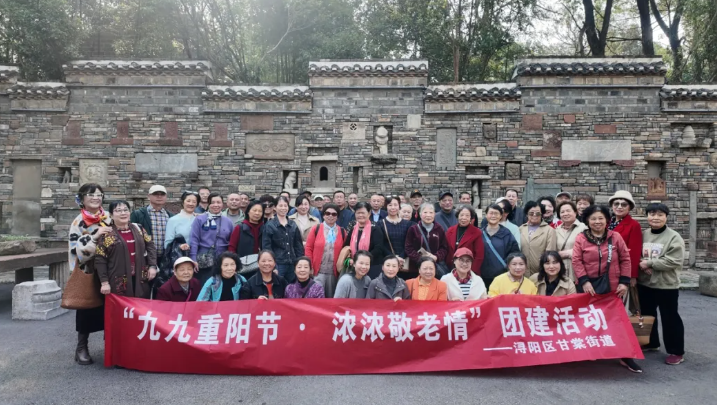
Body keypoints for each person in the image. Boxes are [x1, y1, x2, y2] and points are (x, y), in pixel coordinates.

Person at [572, 205, 639, 373]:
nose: (597, 222)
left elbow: (625, 259)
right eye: (593, 218)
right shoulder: (581, 238)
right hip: (588, 287)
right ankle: (591, 350)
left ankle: (625, 355)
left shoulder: (615, 237)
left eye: (601, 218)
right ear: (587, 220)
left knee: (616, 321)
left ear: (607, 220)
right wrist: (584, 281)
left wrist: (624, 282)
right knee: (589, 319)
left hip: (613, 287)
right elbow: (577, 261)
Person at [68, 183, 112, 365]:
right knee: (86, 308)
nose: (95, 198)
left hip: (110, 270)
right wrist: (94, 237)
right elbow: (76, 251)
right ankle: (81, 347)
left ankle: (111, 347)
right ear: (82, 199)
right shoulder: (78, 222)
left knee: (110, 310)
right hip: (89, 272)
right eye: (91, 194)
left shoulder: (109, 217)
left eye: (99, 195)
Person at [638, 203, 686, 365]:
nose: (656, 218)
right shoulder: (644, 234)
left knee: (670, 318)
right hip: (645, 283)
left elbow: (674, 260)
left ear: (666, 217)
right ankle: (651, 343)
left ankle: (676, 351)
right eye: (652, 214)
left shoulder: (674, 237)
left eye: (660, 214)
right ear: (647, 216)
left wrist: (650, 263)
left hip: (666, 285)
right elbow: (635, 253)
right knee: (646, 315)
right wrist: (642, 263)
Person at [95, 200, 157, 298]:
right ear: (111, 215)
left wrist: (152, 266)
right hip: (118, 281)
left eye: (125, 210)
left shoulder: (139, 228)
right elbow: (100, 259)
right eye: (118, 210)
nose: (123, 213)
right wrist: (104, 282)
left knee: (141, 304)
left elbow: (150, 246)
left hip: (141, 278)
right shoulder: (107, 233)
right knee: (121, 306)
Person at [189, 192, 234, 285]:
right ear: (208, 204)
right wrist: (193, 258)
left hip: (222, 259)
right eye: (213, 202)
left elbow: (231, 242)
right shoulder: (200, 219)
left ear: (223, 204)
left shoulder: (228, 221)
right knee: (204, 285)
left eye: (218, 202)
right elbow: (194, 240)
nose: (216, 205)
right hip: (204, 259)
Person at [305, 204, 347, 298]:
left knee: (331, 298)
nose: (330, 216)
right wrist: (310, 266)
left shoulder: (342, 231)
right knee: (315, 297)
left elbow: (345, 250)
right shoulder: (316, 228)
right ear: (323, 215)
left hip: (333, 273)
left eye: (334, 214)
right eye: (327, 213)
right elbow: (308, 248)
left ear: (337, 216)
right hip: (317, 272)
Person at [262, 196, 304, 283]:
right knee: (277, 287)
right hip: (278, 263)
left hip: (292, 263)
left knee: (292, 287)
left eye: (285, 206)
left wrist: (300, 262)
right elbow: (267, 247)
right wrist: (272, 266)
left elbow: (298, 246)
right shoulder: (270, 225)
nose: (283, 208)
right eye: (280, 206)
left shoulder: (293, 224)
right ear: (275, 207)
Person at [480, 204, 521, 289]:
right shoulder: (479, 233)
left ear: (501, 216)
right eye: (491, 213)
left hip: (501, 276)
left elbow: (514, 253)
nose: (493, 216)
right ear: (486, 215)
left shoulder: (507, 234)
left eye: (496, 213)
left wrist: (506, 266)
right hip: (481, 276)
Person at [405, 203, 449, 280]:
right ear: (420, 214)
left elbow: (444, 247)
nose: (428, 215)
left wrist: (436, 257)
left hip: (434, 267)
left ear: (434, 214)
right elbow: (408, 248)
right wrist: (420, 259)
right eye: (425, 212)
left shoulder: (439, 229)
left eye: (431, 212)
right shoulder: (413, 229)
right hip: (416, 268)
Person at [608, 190, 643, 287]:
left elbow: (634, 252)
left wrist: (631, 275)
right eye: (616, 204)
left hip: (621, 268)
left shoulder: (634, 225)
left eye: (624, 205)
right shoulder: (607, 222)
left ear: (629, 207)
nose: (619, 207)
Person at [130, 184, 173, 259]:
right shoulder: (138, 214)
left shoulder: (170, 216)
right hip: (145, 258)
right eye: (155, 194)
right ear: (149, 196)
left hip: (166, 258)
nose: (159, 196)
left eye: (162, 194)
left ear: (166, 197)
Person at [344, 202, 386, 278]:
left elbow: (378, 248)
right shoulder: (353, 229)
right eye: (358, 213)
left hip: (372, 266)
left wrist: (363, 259)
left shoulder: (375, 228)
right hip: (355, 266)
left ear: (369, 213)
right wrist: (349, 258)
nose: (360, 215)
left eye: (363, 213)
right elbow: (346, 246)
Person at [227, 200, 265, 278]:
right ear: (248, 212)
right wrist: (235, 263)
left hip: (261, 266)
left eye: (260, 211)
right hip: (244, 266)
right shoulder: (239, 228)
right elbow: (232, 247)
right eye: (254, 210)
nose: (257, 213)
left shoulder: (265, 228)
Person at [520, 201, 558, 277]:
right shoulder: (521, 229)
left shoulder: (549, 230)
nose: (534, 215)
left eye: (537, 213)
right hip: (522, 271)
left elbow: (550, 253)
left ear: (542, 214)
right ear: (527, 214)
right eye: (531, 213)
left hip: (541, 272)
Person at [380, 197, 414, 280]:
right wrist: (393, 257)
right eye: (390, 205)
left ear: (399, 206)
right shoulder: (380, 224)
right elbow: (381, 244)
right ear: (386, 206)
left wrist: (401, 257)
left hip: (404, 262)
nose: (393, 207)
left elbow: (410, 243)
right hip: (388, 262)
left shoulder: (408, 224)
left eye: (395, 205)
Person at [446, 205, 485, 275]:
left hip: (468, 270)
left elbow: (479, 256)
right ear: (458, 216)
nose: (464, 218)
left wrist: (470, 272)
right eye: (461, 215)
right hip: (451, 269)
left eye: (467, 216)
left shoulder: (476, 232)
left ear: (471, 218)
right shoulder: (450, 230)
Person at [555, 201, 587, 281]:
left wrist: (567, 253)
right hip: (560, 271)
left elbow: (587, 249)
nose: (565, 214)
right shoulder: (556, 230)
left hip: (578, 271)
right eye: (562, 212)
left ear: (575, 212)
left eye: (568, 211)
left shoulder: (583, 228)